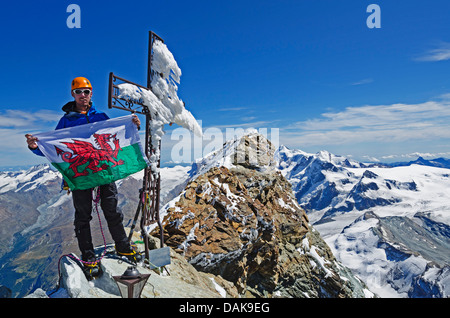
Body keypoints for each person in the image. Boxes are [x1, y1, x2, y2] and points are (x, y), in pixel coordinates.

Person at [25, 77, 141, 278]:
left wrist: (132, 127)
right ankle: (88, 258)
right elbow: (54, 149)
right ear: (73, 94)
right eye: (79, 92)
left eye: (86, 92)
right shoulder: (66, 122)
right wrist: (35, 147)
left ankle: (123, 247)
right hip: (81, 175)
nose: (83, 96)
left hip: (104, 170)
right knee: (83, 216)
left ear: (91, 93)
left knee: (112, 210)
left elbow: (113, 138)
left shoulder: (102, 116)